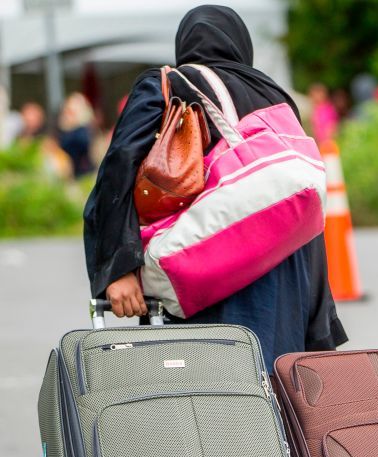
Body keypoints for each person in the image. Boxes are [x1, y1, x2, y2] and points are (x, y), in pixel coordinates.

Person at [83, 5, 346, 369]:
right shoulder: (277, 98)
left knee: (208, 401)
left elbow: (119, 167)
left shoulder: (170, 85)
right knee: (274, 399)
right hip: (284, 286)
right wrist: (320, 323)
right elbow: (303, 205)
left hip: (210, 272)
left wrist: (117, 268)